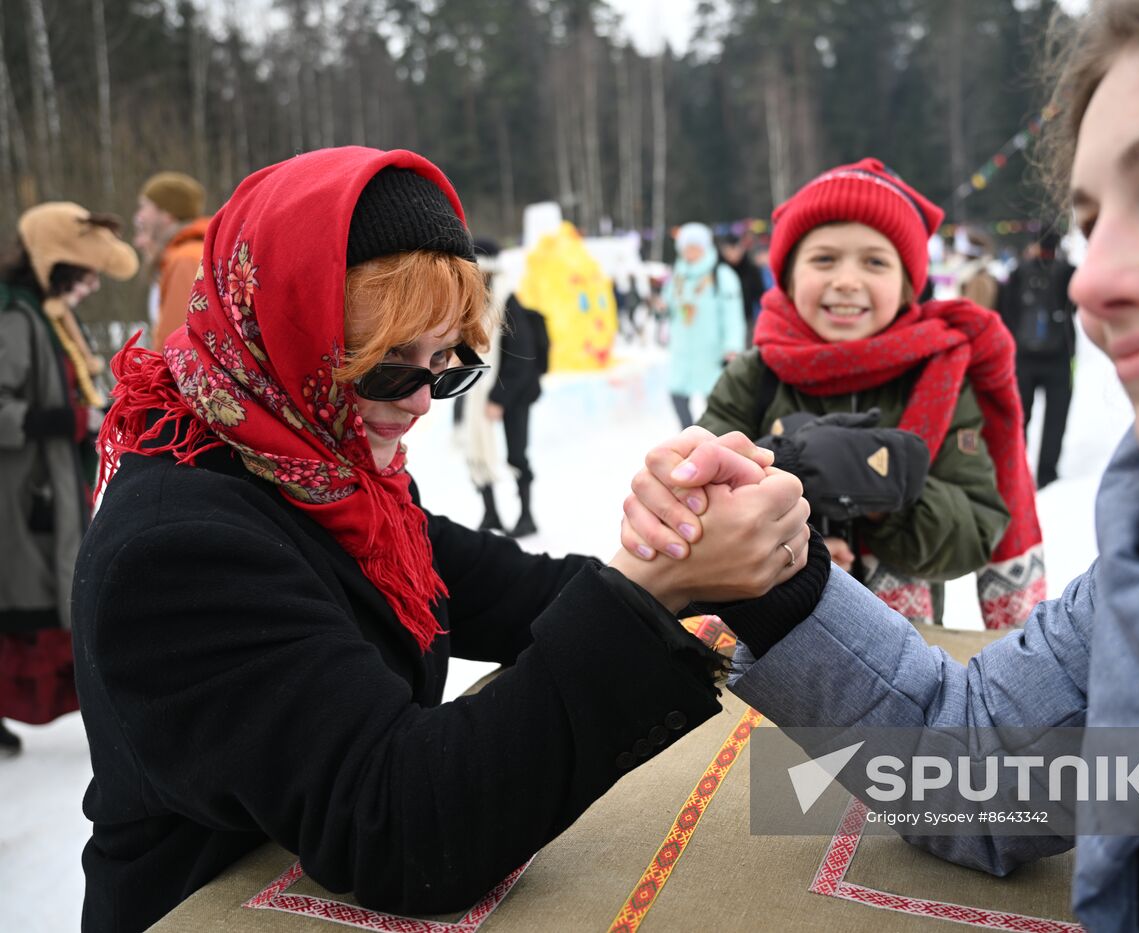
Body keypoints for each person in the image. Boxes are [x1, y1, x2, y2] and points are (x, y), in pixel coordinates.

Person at [623, 0, 1139, 927]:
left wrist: (887, 493)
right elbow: (975, 767)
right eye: (1090, 218)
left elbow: (974, 520)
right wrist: (770, 565)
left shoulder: (949, 377)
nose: (1091, 282)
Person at [71, 146, 819, 933]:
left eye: (446, 365)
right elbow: (404, 825)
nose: (422, 403)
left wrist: (687, 542)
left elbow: (511, 588)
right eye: (387, 370)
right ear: (286, 330)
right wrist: (646, 585)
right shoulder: (176, 551)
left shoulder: (328, 475)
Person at [695, 158, 1046, 629]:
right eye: (824, 259)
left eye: (874, 262)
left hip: (902, 658)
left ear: (907, 286)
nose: (846, 280)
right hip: (766, 646)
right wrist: (786, 473)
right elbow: (697, 504)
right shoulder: (754, 375)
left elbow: (977, 529)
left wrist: (887, 497)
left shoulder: (939, 378)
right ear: (789, 275)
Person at [0, 203, 138, 755]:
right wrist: (71, 420)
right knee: (25, 607)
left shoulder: (50, 315)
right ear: (57, 268)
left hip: (53, 484)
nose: (92, 286)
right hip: (23, 492)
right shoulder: (17, 320)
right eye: (85, 275)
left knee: (59, 596)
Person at [997, 229, 1077, 488]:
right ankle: (1047, 475)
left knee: (1019, 417)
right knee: (1056, 419)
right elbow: (1076, 306)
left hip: (1022, 358)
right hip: (1060, 357)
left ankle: (1017, 471)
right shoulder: (1068, 272)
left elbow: (1004, 311)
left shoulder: (1018, 272)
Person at [661, 223, 747, 427]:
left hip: (711, 351)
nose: (690, 252)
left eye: (695, 247)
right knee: (678, 394)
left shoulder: (721, 275)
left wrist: (732, 347)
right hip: (682, 350)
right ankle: (687, 437)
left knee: (714, 400)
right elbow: (671, 305)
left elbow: (733, 315)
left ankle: (713, 440)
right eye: (686, 247)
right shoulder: (677, 277)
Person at [482, 290, 550, 537]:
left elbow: (521, 358)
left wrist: (497, 399)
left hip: (515, 393)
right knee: (480, 452)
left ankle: (526, 516)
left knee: (516, 455)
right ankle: (491, 513)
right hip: (487, 391)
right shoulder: (484, 302)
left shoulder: (507, 303)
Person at [132, 170, 210, 349]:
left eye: (144, 207)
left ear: (167, 214)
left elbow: (177, 342)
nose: (139, 216)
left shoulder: (185, 260)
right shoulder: (184, 254)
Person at [717, 231, 767, 340]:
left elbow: (761, 296)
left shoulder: (752, 270)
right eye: (730, 249)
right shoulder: (717, 272)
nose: (733, 253)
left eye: (736, 248)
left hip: (747, 321)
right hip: (722, 322)